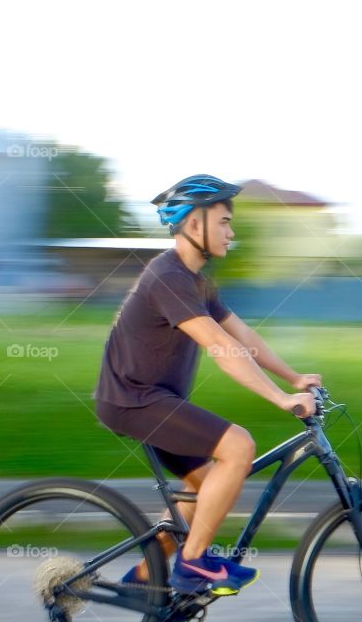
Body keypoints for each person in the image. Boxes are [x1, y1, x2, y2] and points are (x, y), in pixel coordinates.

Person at [93, 175, 321, 596]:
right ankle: (192, 563)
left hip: (152, 399)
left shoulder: (196, 281)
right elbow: (220, 346)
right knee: (238, 446)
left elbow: (242, 336)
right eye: (224, 222)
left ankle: (146, 582)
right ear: (194, 225)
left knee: (203, 491)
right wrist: (279, 398)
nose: (231, 232)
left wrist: (292, 377)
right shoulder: (169, 277)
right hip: (134, 400)